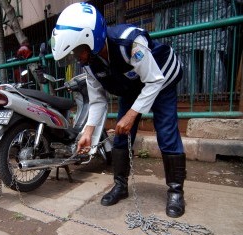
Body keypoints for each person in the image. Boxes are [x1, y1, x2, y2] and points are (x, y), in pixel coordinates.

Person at [51, 2, 186, 218]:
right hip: (131, 86)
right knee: (122, 137)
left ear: (90, 39)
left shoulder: (129, 42)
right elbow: (97, 102)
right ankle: (120, 186)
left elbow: (153, 81)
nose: (77, 57)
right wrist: (88, 132)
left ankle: (176, 191)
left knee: (166, 133)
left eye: (77, 50)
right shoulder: (89, 62)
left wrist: (132, 115)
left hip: (160, 78)